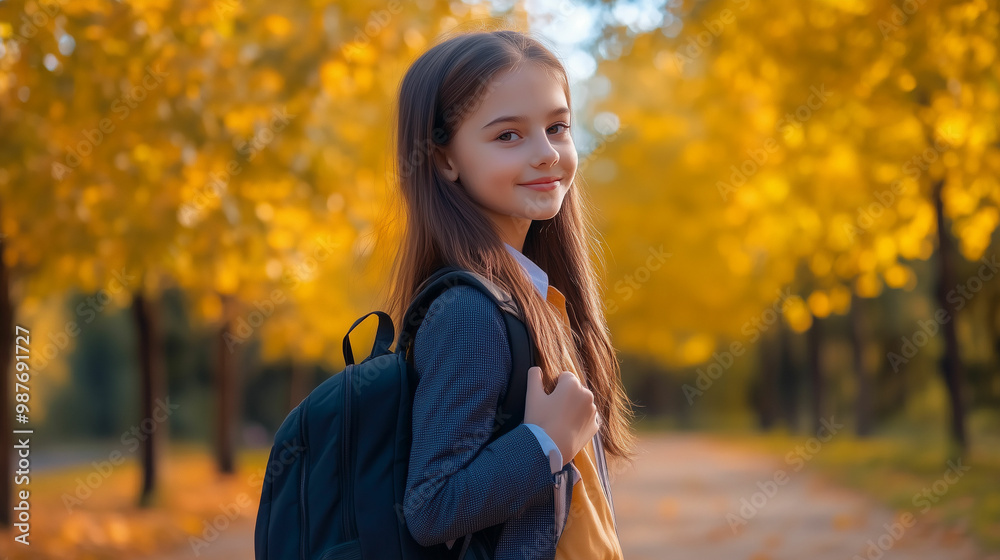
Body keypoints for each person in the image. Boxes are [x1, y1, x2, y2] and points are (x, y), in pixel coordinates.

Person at [383, 28, 638, 560]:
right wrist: (544, 444)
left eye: (557, 127)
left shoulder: (536, 297)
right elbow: (431, 508)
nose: (547, 154)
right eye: (508, 136)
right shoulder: (469, 312)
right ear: (444, 160)